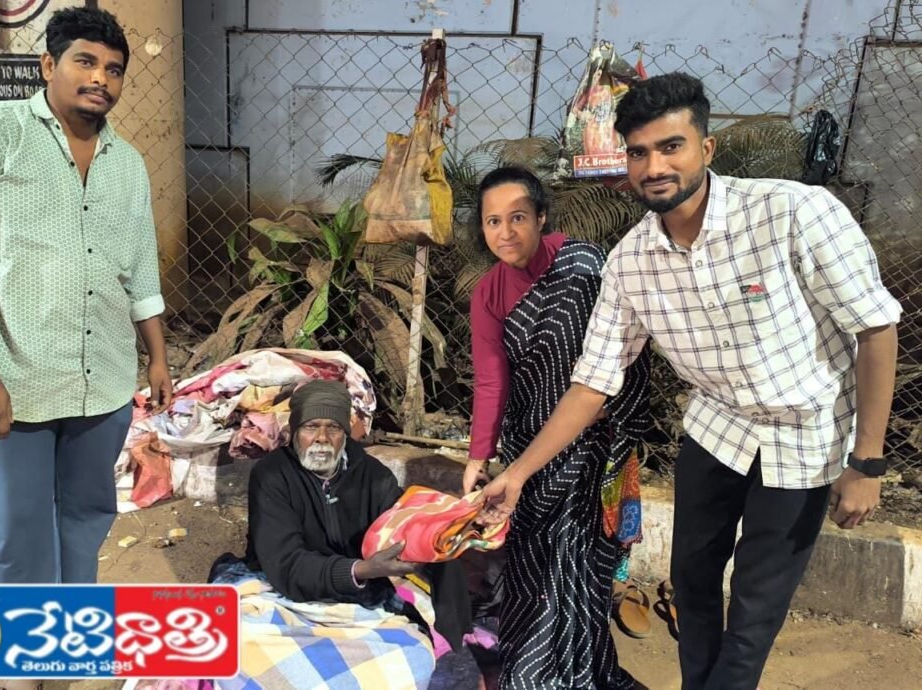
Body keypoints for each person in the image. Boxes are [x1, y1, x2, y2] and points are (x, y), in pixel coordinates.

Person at [479, 72, 902, 690]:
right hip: (716, 431)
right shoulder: (629, 262)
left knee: (755, 609)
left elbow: (875, 329)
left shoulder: (794, 213)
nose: (655, 165)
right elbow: (593, 383)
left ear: (705, 149)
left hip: (807, 437)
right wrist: (516, 474)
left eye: (671, 146)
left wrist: (867, 462)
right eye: (640, 151)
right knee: (694, 585)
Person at [0, 0, 169, 638]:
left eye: (114, 70)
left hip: (103, 381)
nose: (100, 80)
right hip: (13, 383)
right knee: (19, 532)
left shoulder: (128, 165)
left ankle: (69, 633)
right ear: (48, 63)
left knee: (86, 517)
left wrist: (158, 356)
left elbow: (139, 267)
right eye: (85, 62)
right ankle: (25, 662)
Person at [464, 166, 651, 689]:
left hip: (594, 446)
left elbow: (623, 358)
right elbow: (491, 382)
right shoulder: (489, 294)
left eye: (518, 217)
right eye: (493, 221)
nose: (505, 232)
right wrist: (479, 456)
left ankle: (554, 676)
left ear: (542, 217)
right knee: (532, 567)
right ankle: (544, 666)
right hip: (530, 448)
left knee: (577, 567)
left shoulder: (586, 267)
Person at [209, 380, 472, 688]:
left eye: (333, 427)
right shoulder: (272, 475)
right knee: (233, 645)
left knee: (413, 658)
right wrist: (361, 569)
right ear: (294, 431)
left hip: (355, 600)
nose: (321, 438)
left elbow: (408, 527)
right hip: (278, 592)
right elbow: (286, 564)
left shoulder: (373, 476)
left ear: (345, 434)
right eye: (311, 426)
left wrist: (448, 523)